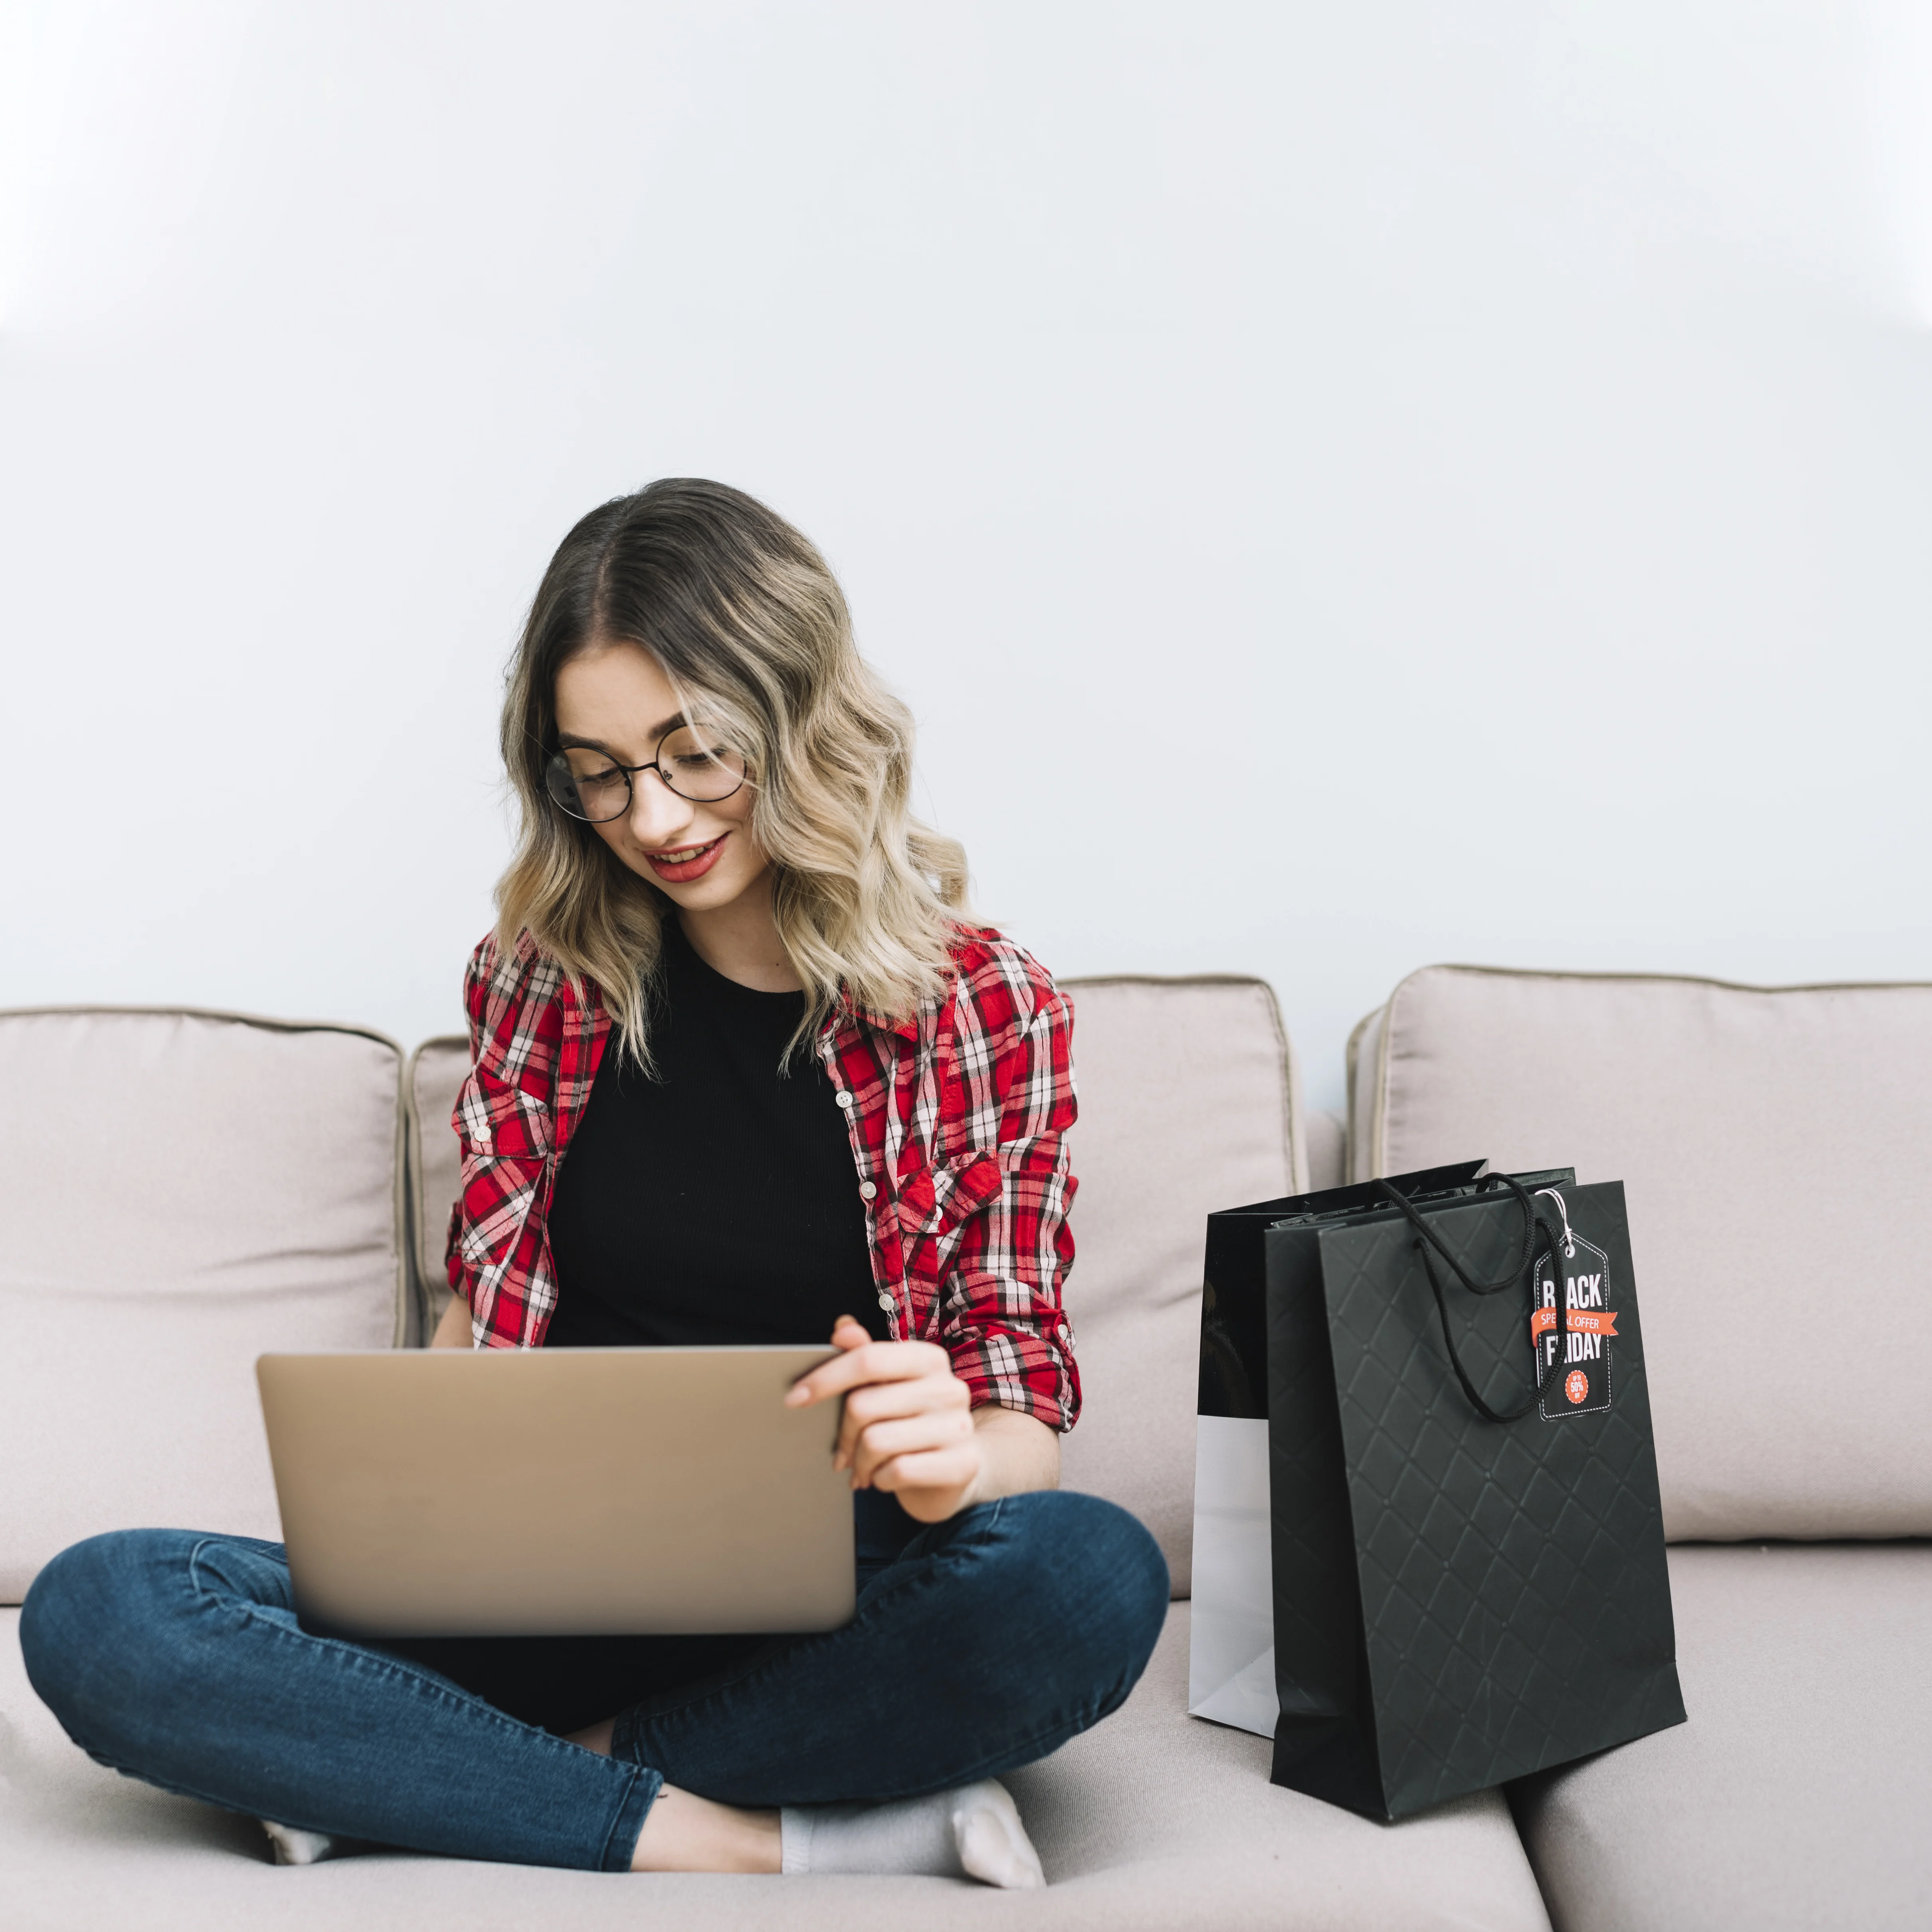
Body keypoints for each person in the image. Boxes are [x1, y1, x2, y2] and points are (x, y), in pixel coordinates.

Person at [21, 478, 1169, 1884]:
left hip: (834, 1601)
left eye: (697, 755)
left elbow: (1020, 1405)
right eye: (602, 772)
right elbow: (482, 1324)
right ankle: (740, 1836)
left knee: (1087, 1577)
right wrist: (404, 1490)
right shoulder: (539, 982)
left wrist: (957, 1457)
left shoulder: (984, 1006)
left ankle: (448, 1775)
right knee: (104, 1608)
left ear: (800, 717)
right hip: (533, 1596)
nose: (655, 816)